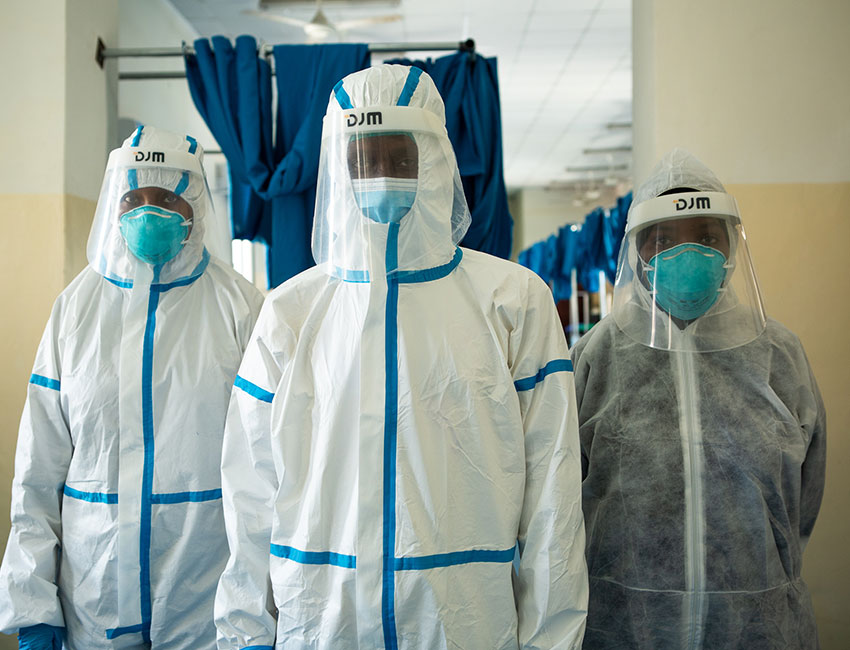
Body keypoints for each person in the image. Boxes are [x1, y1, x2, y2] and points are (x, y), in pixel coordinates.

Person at [214, 64, 588, 649]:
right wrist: (246, 633)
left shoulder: (512, 302)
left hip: (464, 625)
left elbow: (554, 497)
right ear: (338, 168)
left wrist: (551, 639)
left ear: (433, 161)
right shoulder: (291, 312)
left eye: (398, 157)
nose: (379, 175)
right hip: (324, 622)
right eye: (362, 159)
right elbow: (248, 491)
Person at [0, 126, 264, 649]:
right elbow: (38, 469)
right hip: (93, 590)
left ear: (194, 206)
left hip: (204, 596)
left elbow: (264, 470)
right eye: (134, 198)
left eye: (166, 198)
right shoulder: (75, 310)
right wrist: (30, 599)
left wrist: (258, 609)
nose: (149, 212)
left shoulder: (241, 309)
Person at [571, 148, 826, 649]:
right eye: (663, 240)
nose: (688, 254)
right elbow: (565, 497)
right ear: (636, 251)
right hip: (625, 626)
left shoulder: (777, 353)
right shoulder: (597, 356)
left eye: (707, 238)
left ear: (731, 245)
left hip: (758, 624)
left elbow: (805, 496)